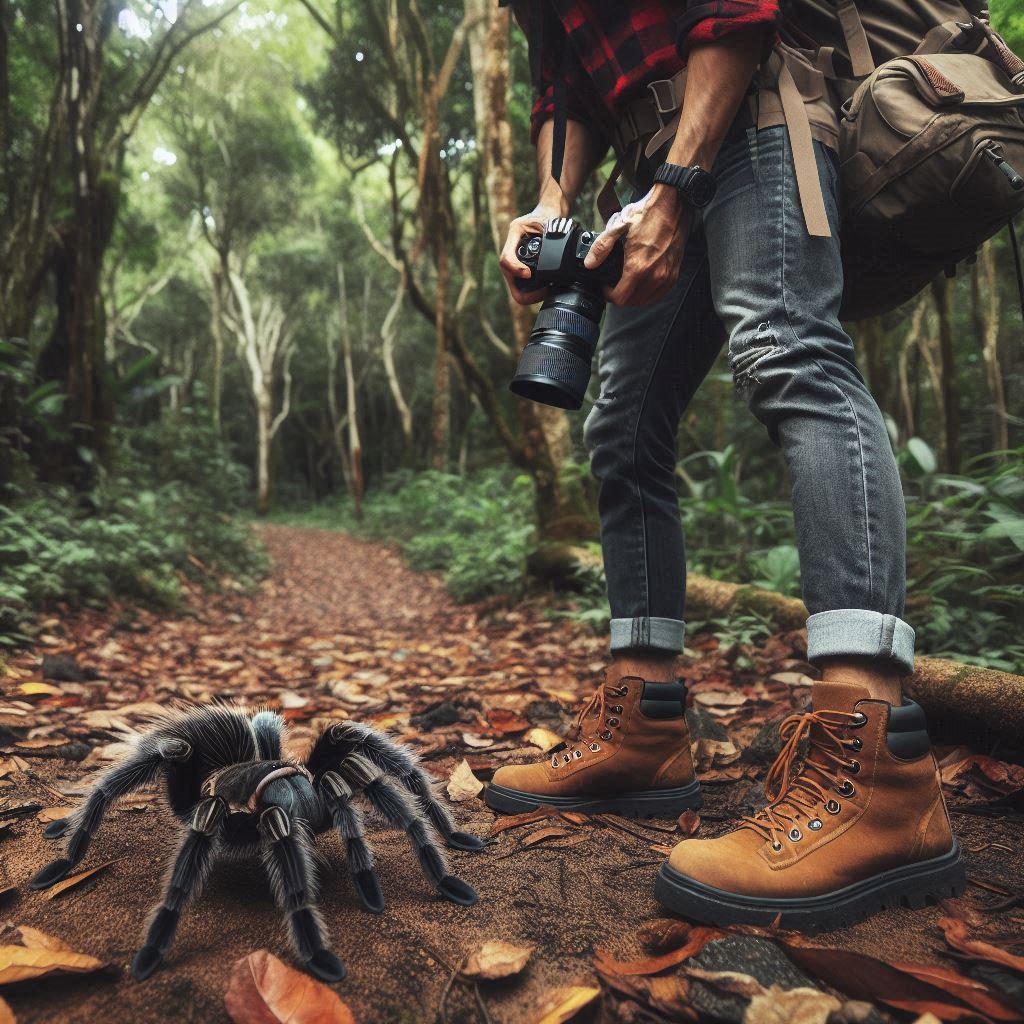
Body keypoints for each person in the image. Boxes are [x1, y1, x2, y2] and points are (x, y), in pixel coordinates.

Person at [484, 0, 965, 929]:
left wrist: (674, 190)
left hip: (750, 120)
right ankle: (646, 720)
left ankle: (880, 766)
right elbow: (566, 90)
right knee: (620, 423)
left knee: (790, 353)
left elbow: (737, 15)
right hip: (646, 164)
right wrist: (551, 204)